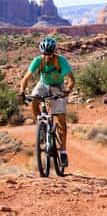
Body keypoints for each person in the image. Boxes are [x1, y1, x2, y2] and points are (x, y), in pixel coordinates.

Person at [17, 37, 75, 167]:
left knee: (61, 119)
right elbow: (26, 77)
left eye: (49, 54)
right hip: (43, 84)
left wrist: (67, 90)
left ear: (53, 52)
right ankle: (41, 126)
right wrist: (22, 91)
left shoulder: (61, 61)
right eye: (44, 54)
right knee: (34, 100)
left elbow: (71, 80)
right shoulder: (38, 61)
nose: (47, 56)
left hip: (58, 87)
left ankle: (64, 151)